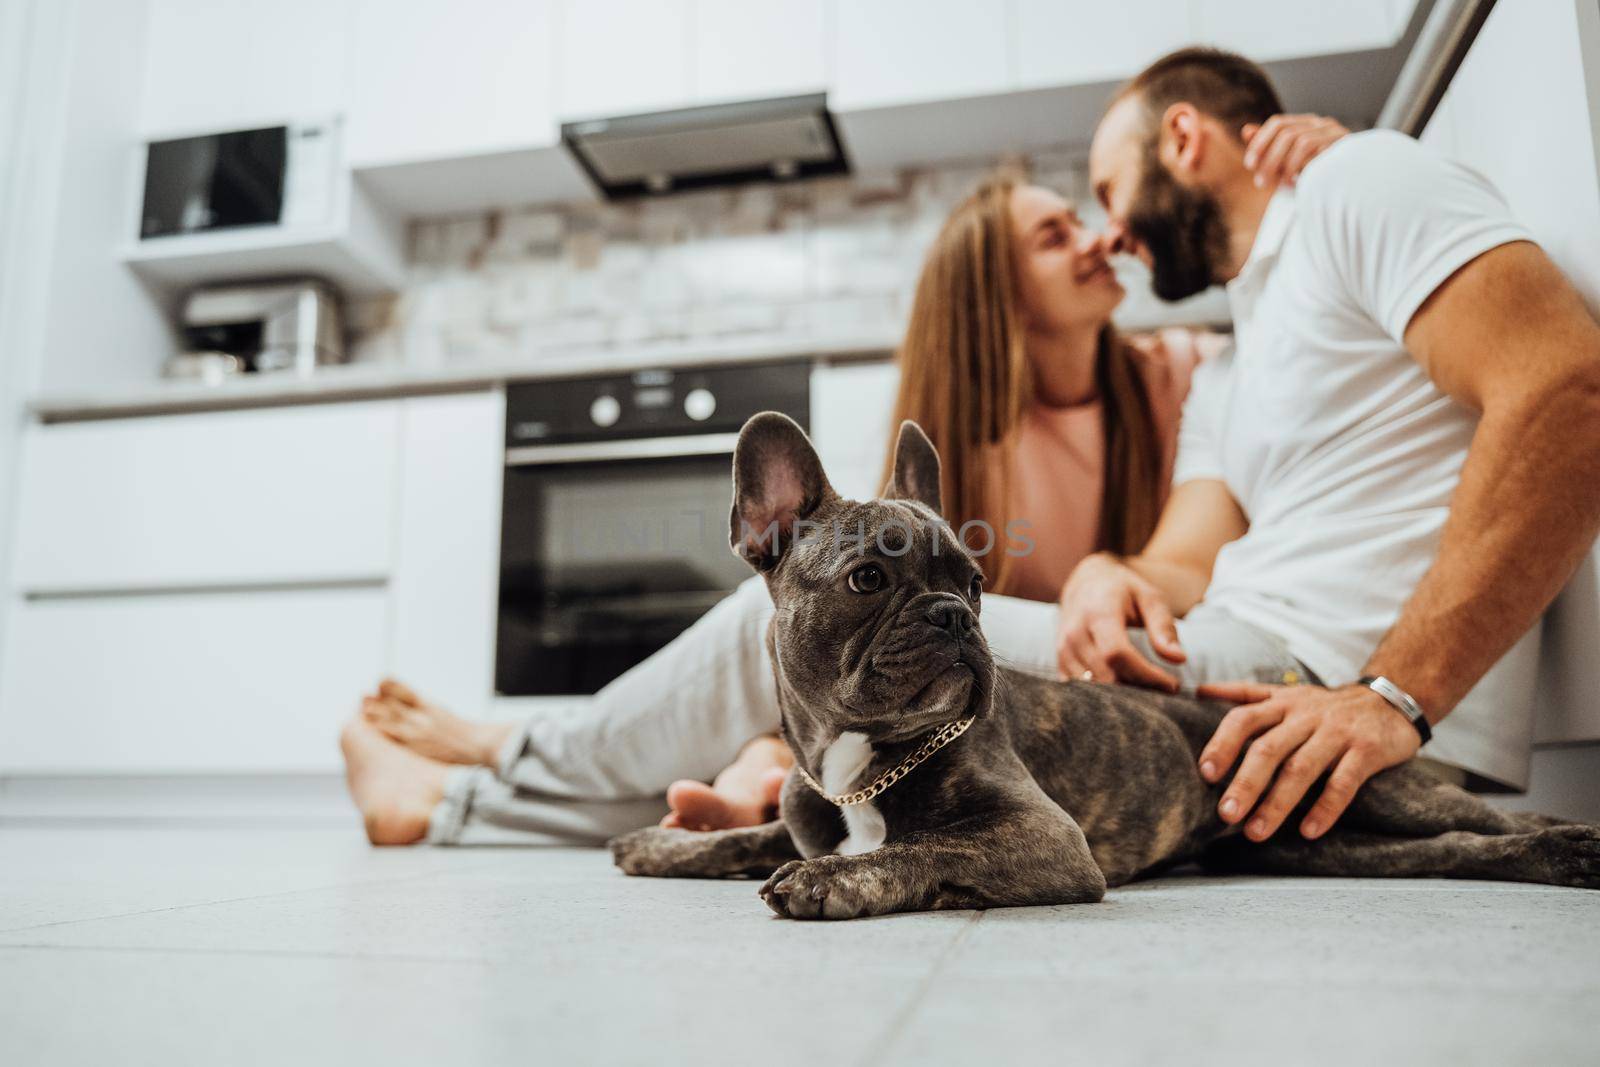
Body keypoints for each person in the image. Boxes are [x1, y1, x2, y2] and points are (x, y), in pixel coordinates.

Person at [339, 121, 1348, 846]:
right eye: (1054, 233)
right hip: (950, 710)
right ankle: (746, 784)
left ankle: (493, 762)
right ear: (990, 289)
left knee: (758, 625)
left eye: (1088, 221)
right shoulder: (941, 432)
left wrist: (1314, 171)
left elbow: (1282, 309)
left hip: (1083, 694)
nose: (1095, 239)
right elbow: (871, 646)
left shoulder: (1186, 369)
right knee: (808, 641)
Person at [1061, 47, 1600, 847]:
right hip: (1237, 658)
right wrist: (1108, 572)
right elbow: (1186, 565)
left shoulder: (1351, 181)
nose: (1109, 232)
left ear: (1181, 137)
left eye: (1109, 190)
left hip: (1317, 678)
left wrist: (1393, 695)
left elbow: (1566, 391)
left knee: (902, 660)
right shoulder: (1225, 371)